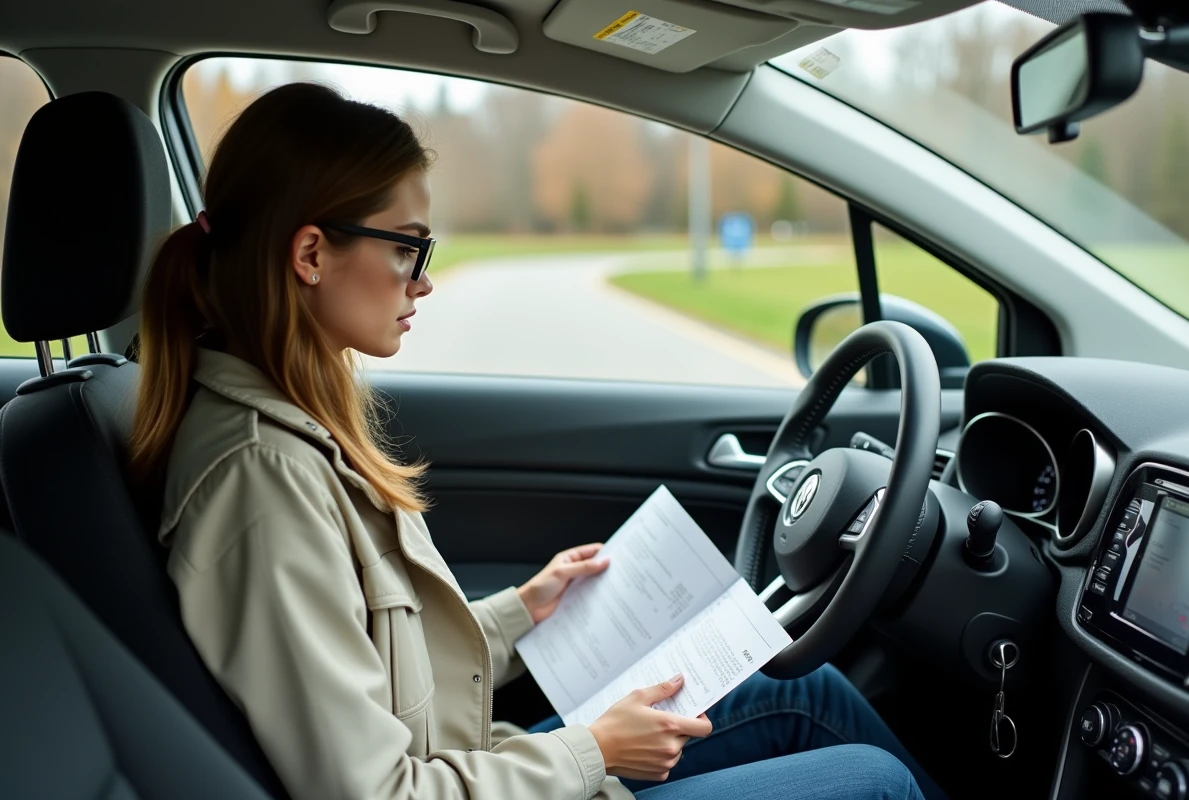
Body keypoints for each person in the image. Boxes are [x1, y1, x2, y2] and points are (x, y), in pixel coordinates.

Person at [130, 82, 945, 800]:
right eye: (408, 247)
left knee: (809, 690)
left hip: (483, 762)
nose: (424, 281)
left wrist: (523, 611)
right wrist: (592, 752)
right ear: (311, 253)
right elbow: (373, 790)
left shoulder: (292, 426)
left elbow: (379, 667)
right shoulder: (262, 481)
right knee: (876, 786)